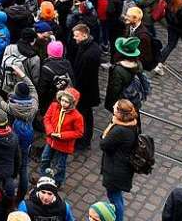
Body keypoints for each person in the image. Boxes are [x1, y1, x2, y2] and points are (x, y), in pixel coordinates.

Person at [100, 99, 139, 221]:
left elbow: (104, 144)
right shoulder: (132, 124)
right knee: (117, 195)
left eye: (115, 108)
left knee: (114, 197)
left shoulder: (119, 130)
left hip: (115, 170)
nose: (113, 108)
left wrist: (104, 135)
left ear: (120, 113)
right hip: (123, 167)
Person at [40, 87, 84, 187]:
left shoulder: (77, 116)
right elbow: (47, 118)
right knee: (45, 158)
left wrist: (62, 135)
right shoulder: (54, 106)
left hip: (64, 145)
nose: (63, 103)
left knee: (60, 165)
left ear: (72, 103)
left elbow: (79, 132)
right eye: (62, 100)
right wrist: (50, 131)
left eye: (66, 102)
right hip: (51, 140)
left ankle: (58, 181)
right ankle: (43, 177)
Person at [70, 23, 102, 151]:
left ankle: (83, 141)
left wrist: (76, 93)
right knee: (85, 115)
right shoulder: (88, 46)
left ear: (84, 35)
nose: (74, 38)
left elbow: (83, 77)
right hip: (86, 90)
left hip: (84, 92)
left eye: (76, 36)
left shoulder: (89, 54)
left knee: (84, 116)